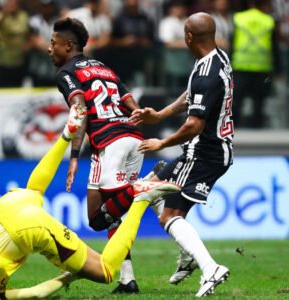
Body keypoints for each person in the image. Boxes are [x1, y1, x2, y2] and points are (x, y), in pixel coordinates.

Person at [0, 104, 180, 300]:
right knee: (35, 188)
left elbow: (35, 294)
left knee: (104, 271)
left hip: (26, 230)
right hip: (8, 205)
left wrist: (69, 278)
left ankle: (140, 197)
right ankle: (65, 134)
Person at [130, 12, 233, 297]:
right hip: (208, 149)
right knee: (148, 186)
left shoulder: (205, 74)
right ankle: (188, 252)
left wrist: (161, 143)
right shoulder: (217, 59)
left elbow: (194, 124)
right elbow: (191, 97)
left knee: (169, 215)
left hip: (204, 152)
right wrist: (160, 114)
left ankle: (210, 268)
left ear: (188, 37)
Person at [48, 17, 144, 293]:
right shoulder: (103, 67)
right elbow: (129, 102)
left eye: (53, 43)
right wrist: (135, 128)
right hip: (131, 136)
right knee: (100, 215)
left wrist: (74, 154)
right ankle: (127, 279)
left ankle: (148, 189)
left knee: (107, 211)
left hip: (109, 141)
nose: (48, 48)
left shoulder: (66, 72)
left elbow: (79, 109)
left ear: (68, 46)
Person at [231, 0, 278, 128]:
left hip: (240, 64)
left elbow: (232, 41)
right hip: (262, 66)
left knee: (236, 100)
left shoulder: (238, 18)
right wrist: (277, 68)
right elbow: (274, 46)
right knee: (259, 100)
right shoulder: (269, 20)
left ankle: (233, 127)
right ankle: (257, 126)